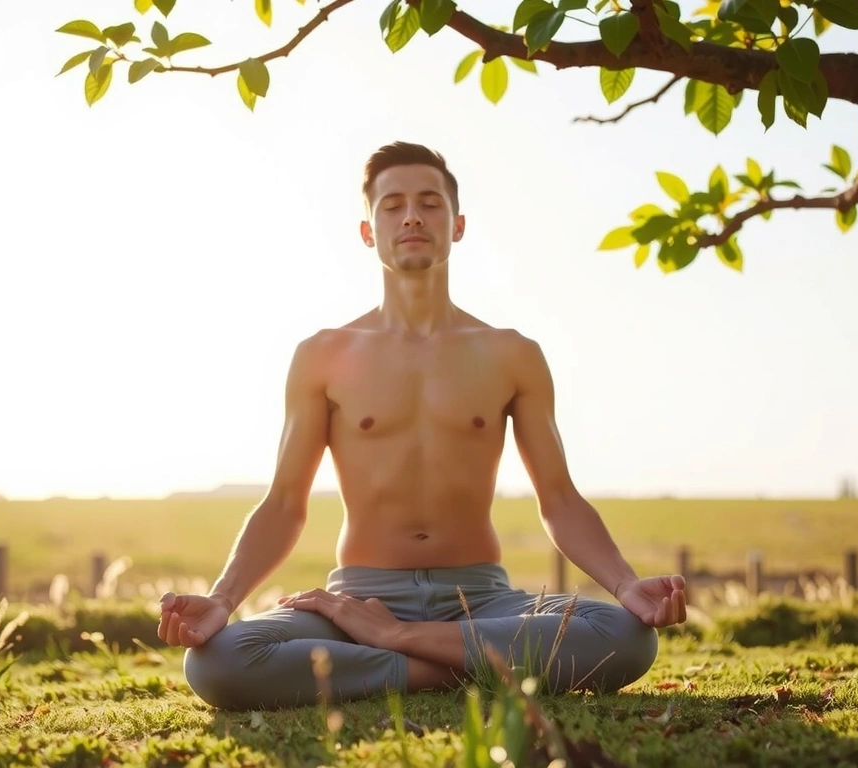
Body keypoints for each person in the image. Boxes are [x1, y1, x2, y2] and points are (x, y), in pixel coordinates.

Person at [157, 141, 687, 711]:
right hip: (358, 601)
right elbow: (285, 503)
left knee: (627, 637)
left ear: (457, 226)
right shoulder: (322, 355)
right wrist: (222, 599)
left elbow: (558, 500)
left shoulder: (513, 354)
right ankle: (463, 664)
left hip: (482, 600)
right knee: (217, 661)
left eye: (430, 203)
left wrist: (627, 585)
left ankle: (402, 650)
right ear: (368, 231)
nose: (412, 215)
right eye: (392, 205)